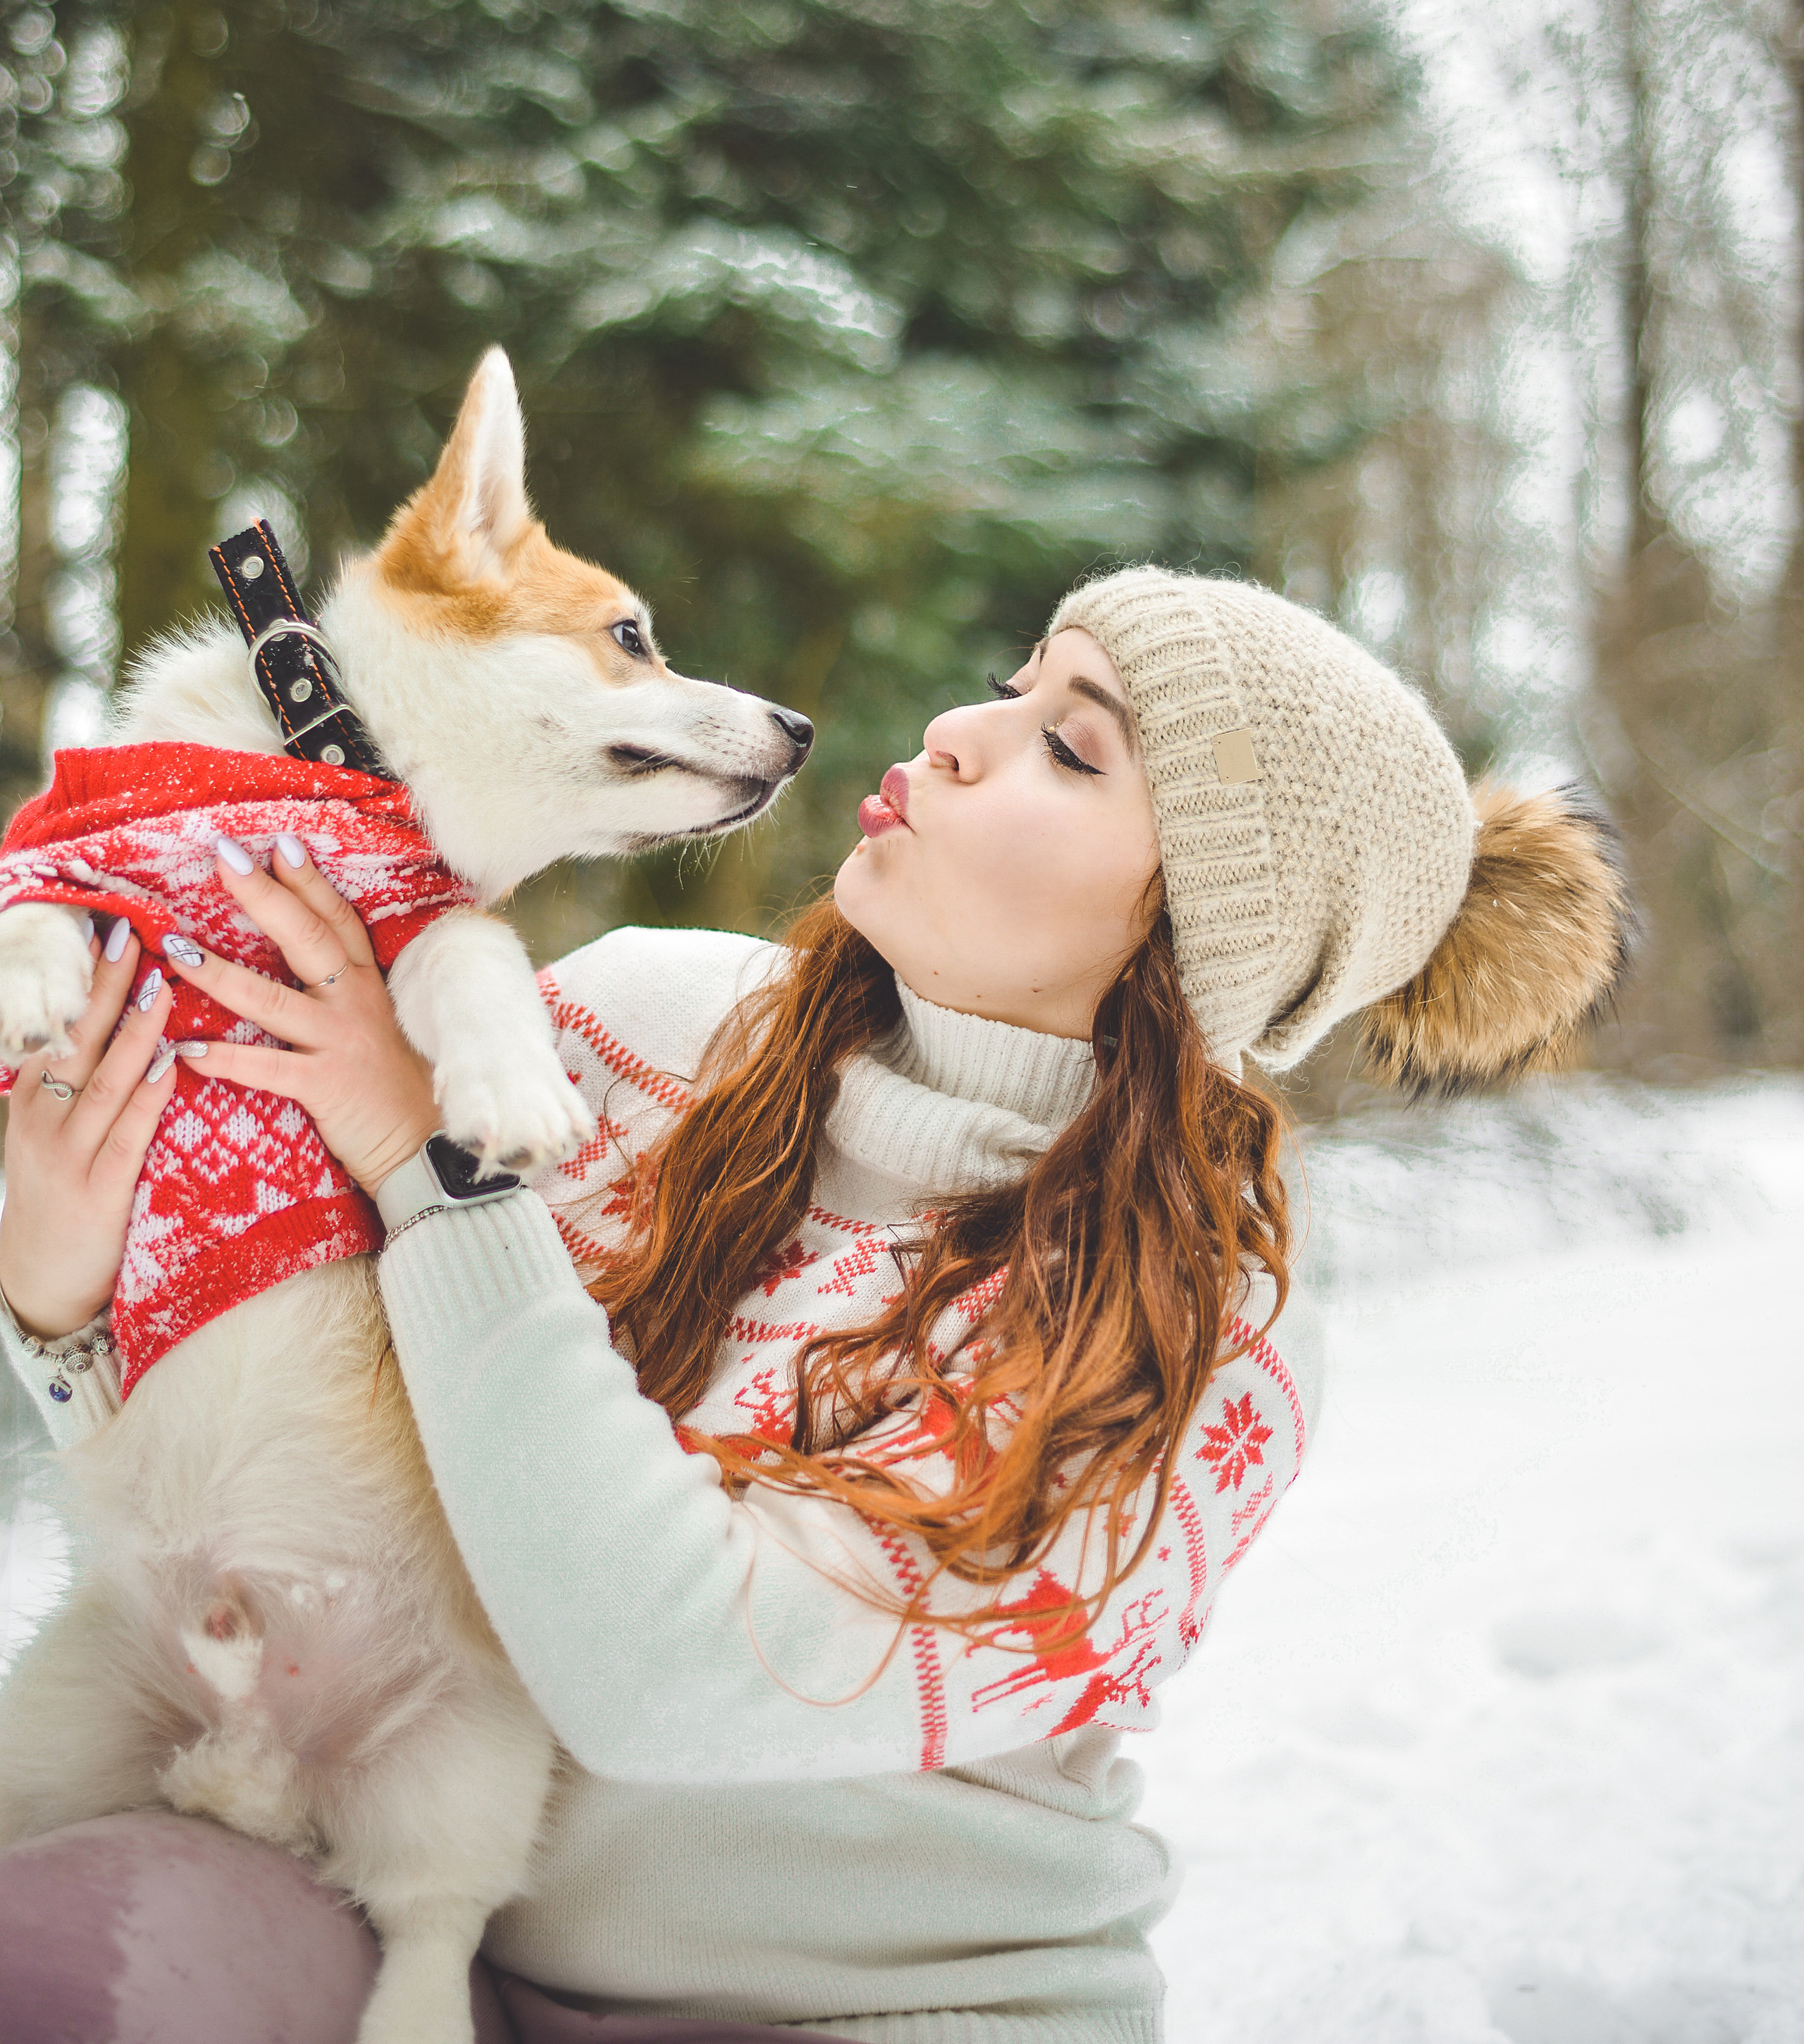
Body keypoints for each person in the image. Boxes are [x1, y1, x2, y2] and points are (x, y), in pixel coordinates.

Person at [0, 568, 1631, 2043]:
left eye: (1070, 750)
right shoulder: (630, 1025)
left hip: (894, 2014)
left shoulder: (1191, 1339)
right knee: (51, 1963)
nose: (958, 735)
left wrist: (434, 1172)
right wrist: (68, 1315)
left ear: (1191, 943)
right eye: (1008, 683)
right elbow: (295, 1436)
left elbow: (661, 1679)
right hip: (444, 1931)